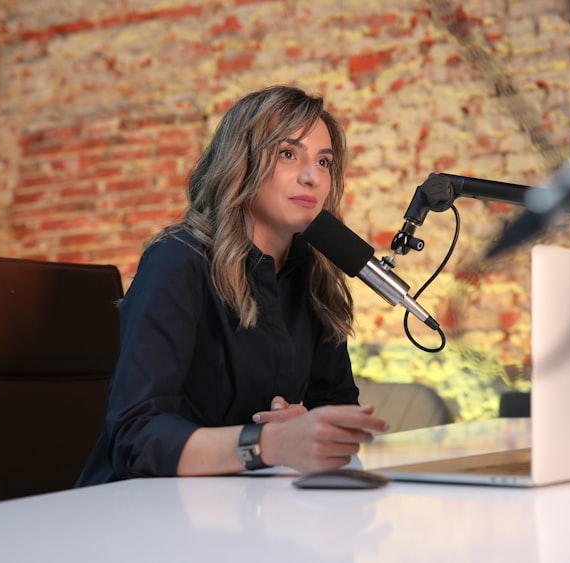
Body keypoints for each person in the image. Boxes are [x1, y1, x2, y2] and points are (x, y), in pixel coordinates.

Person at [77, 85, 388, 486]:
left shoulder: (313, 273)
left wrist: (310, 425)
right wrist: (270, 442)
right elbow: (136, 437)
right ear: (241, 163)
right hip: (145, 513)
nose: (312, 177)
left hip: (248, 506)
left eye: (324, 161)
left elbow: (338, 407)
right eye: (287, 154)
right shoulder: (177, 261)